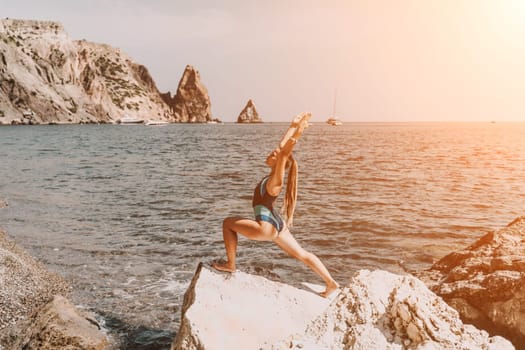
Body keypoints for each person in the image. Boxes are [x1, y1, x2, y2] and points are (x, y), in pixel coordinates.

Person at [213, 114, 339, 298]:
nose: (271, 153)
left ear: (280, 164)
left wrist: (299, 132)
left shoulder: (275, 181)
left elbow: (284, 153)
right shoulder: (273, 175)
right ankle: (331, 283)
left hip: (266, 226)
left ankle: (230, 264)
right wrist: (293, 125)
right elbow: (282, 149)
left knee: (227, 223)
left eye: (274, 155)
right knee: (302, 254)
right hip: (277, 224)